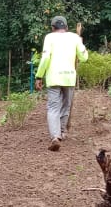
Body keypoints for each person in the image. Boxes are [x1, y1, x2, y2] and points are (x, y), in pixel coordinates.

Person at [35, 15, 89, 151]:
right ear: (66, 27)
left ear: (53, 28)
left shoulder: (49, 37)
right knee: (66, 106)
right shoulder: (74, 38)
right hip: (69, 78)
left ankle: (55, 136)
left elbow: (46, 57)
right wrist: (81, 44)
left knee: (53, 107)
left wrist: (39, 76)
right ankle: (63, 132)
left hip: (54, 78)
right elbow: (84, 58)